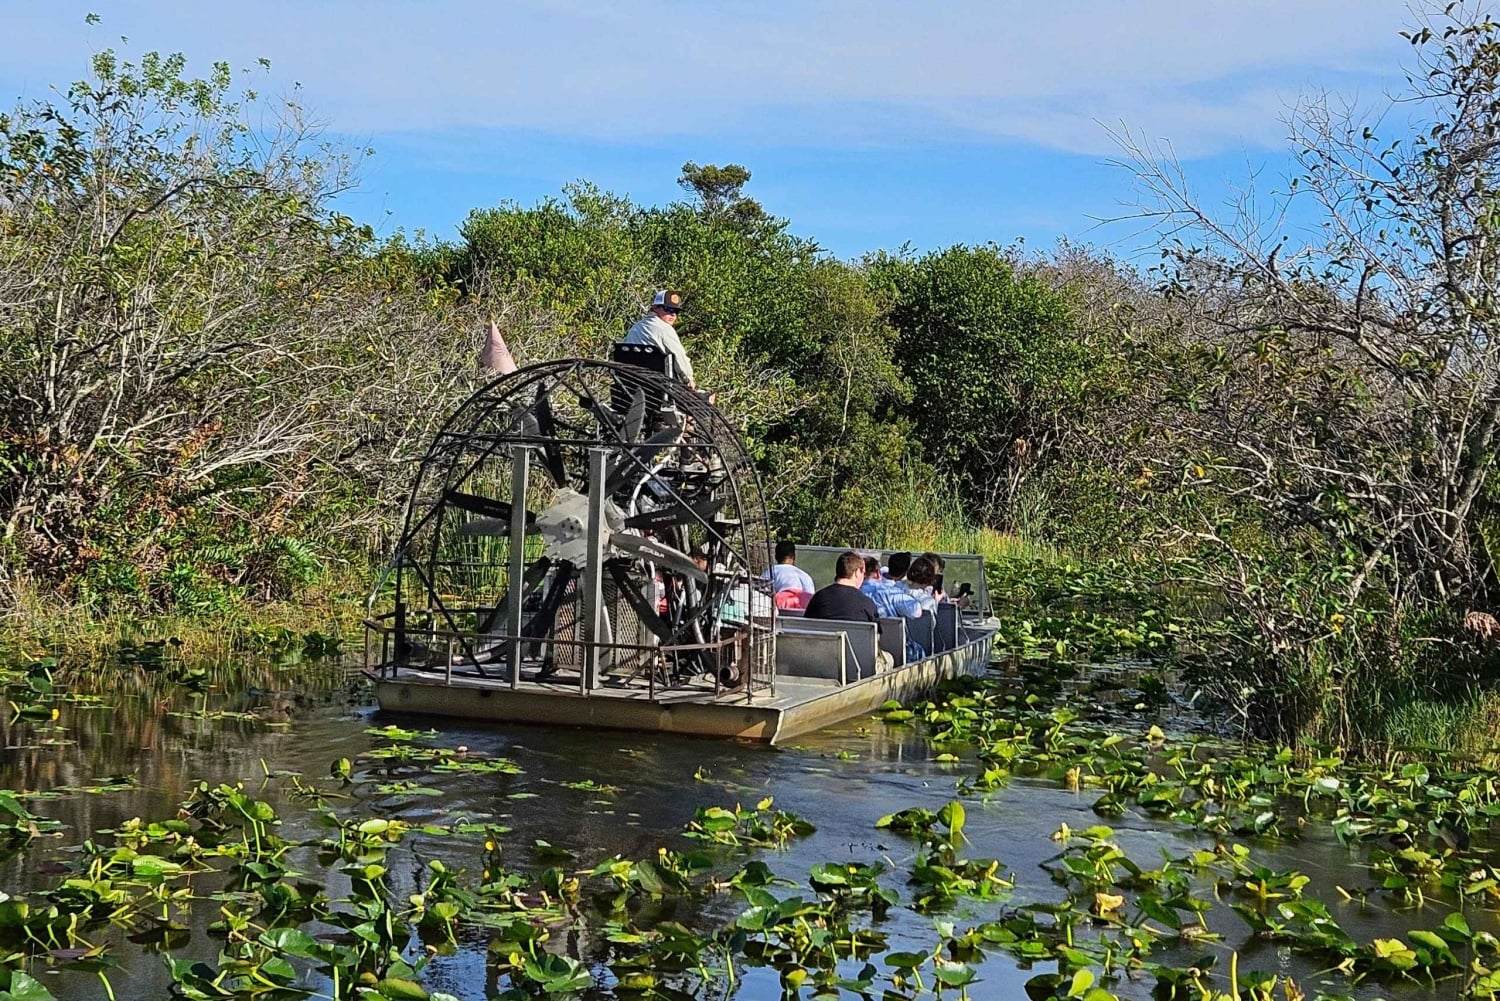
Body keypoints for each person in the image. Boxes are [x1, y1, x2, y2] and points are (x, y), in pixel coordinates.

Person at [622, 290, 696, 389]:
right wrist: (689, 380)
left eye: (676, 311)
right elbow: (679, 357)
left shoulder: (635, 327)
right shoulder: (664, 329)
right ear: (655, 308)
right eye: (668, 309)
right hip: (659, 389)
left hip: (630, 387)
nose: (673, 314)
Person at [860, 555, 927, 659]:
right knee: (918, 649)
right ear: (878, 573)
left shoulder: (855, 593)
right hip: (893, 647)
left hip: (864, 647)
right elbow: (916, 611)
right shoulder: (890, 592)